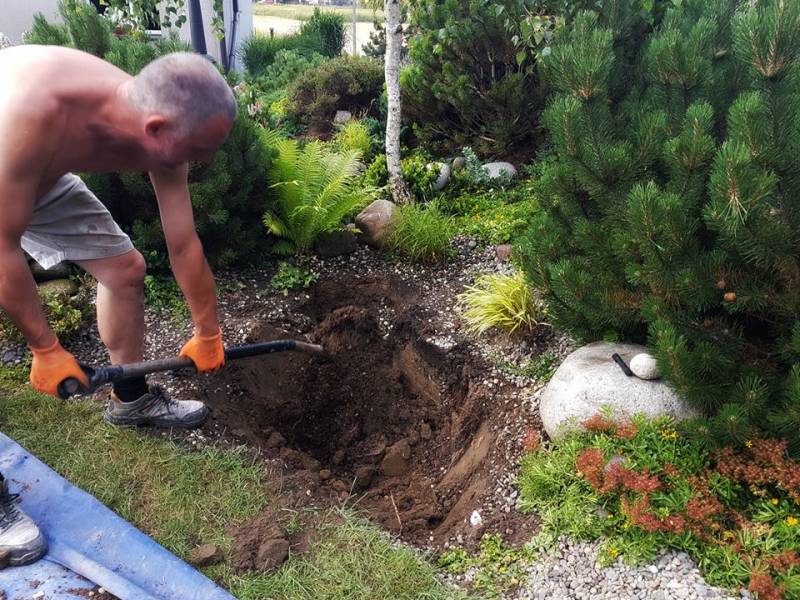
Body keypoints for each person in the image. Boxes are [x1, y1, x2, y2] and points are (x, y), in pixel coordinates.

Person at [0, 45, 236, 566]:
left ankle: (131, 401)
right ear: (155, 129)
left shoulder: (163, 121)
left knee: (124, 269)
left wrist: (208, 332)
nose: (203, 162)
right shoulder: (31, 112)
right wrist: (45, 348)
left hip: (40, 176)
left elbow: (183, 243)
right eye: (199, 151)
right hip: (7, 157)